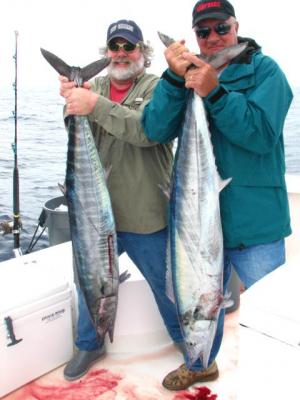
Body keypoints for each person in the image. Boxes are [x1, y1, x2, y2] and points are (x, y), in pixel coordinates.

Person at [142, 0, 293, 391]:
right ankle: (199, 364)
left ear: (236, 26)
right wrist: (177, 81)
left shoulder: (266, 71)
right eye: (203, 32)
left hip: (253, 221)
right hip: (196, 223)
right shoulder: (183, 76)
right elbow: (155, 130)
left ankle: (279, 384)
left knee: (272, 314)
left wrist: (215, 92)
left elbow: (260, 135)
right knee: (195, 299)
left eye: (221, 28)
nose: (213, 38)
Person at [59, 19, 184, 382]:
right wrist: (71, 101)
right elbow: (73, 125)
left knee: (168, 287)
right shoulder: (93, 84)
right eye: (115, 46)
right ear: (106, 52)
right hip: (96, 217)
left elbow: (147, 132)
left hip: (146, 215)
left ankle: (186, 339)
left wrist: (92, 104)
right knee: (89, 282)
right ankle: (89, 343)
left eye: (129, 46)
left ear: (142, 53)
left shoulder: (159, 87)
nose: (121, 53)